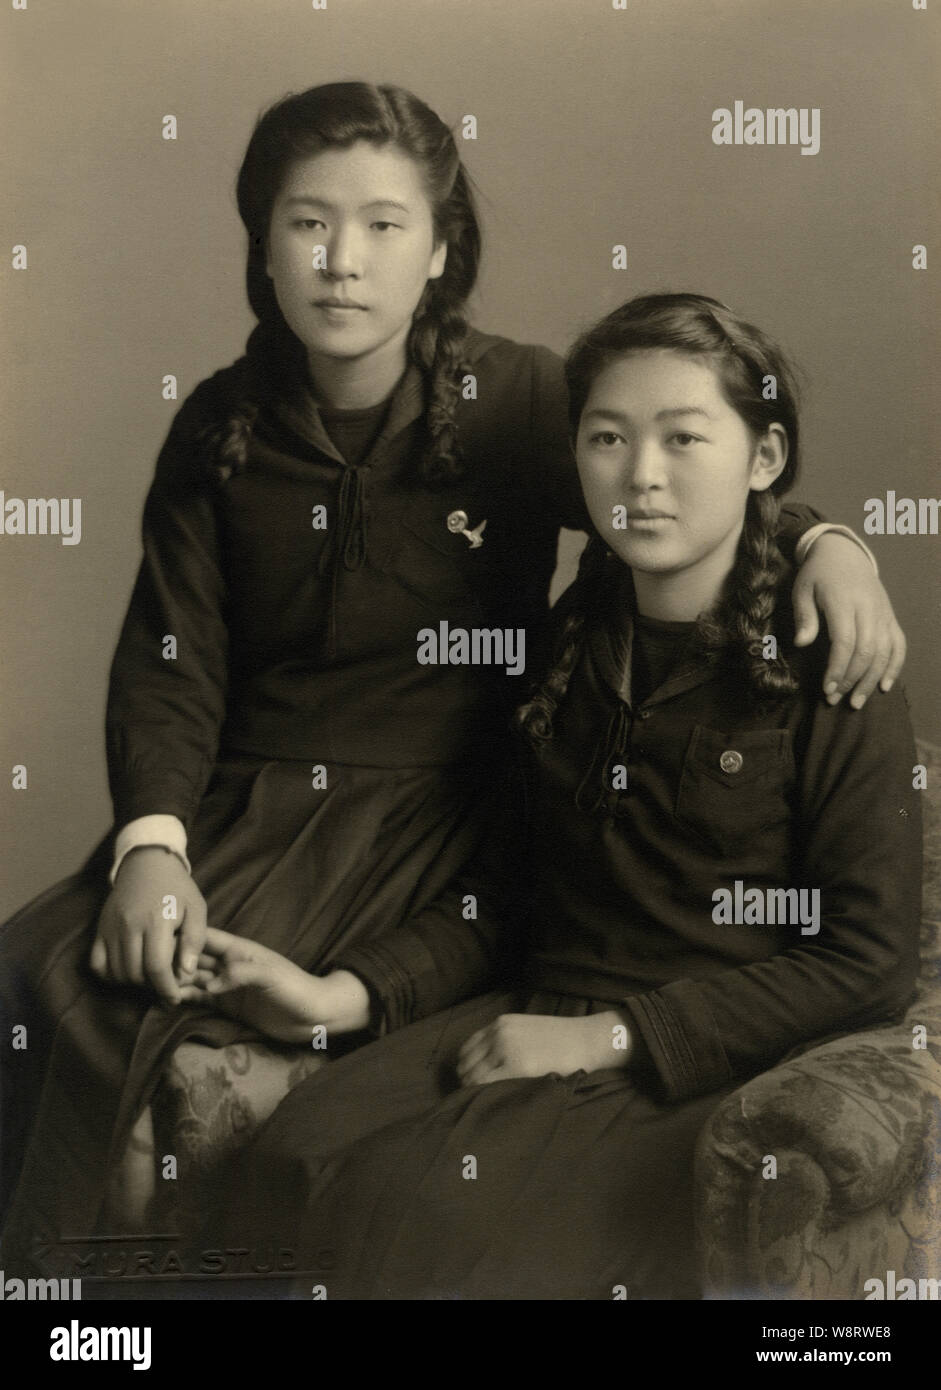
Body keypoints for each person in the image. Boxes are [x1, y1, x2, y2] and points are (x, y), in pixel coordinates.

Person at [0, 79, 903, 1276]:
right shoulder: (218, 428)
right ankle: (75, 1323)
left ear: (440, 252)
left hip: (434, 808)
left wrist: (825, 544)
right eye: (305, 223)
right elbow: (171, 656)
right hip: (249, 802)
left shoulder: (516, 400)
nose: (341, 261)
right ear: (261, 246)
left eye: (384, 225)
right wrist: (152, 842)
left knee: (174, 1049)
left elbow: (678, 466)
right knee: (36, 983)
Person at [205, 293, 922, 1300]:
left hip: (698, 1057)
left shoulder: (829, 666)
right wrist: (345, 994)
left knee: (444, 1235)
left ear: (761, 459)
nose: (641, 475)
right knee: (298, 1154)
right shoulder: (569, 641)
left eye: (683, 437)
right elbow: (502, 896)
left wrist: (608, 1038)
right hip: (538, 1006)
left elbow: (866, 959)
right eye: (605, 437)